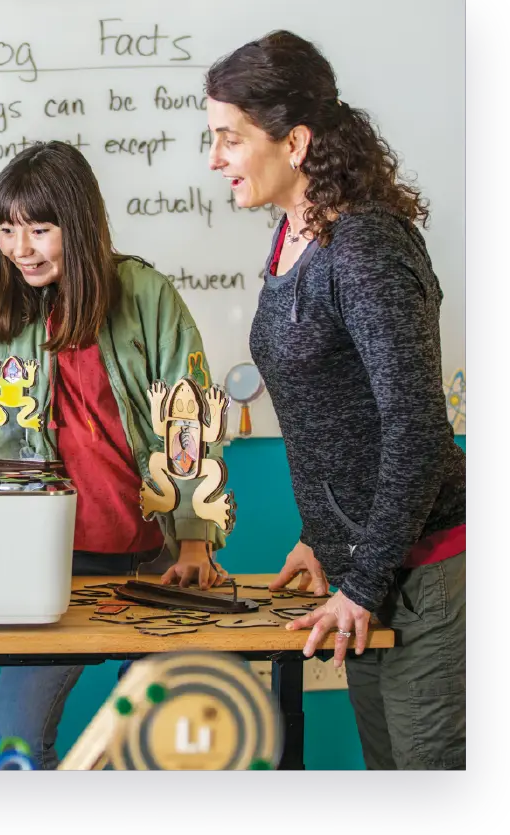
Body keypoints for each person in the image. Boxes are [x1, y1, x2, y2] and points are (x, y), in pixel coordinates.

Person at [205, 30, 466, 770]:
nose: (215, 159)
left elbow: (415, 430)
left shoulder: (366, 249)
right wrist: (324, 537)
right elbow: (335, 412)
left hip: (426, 573)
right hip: (370, 570)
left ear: (294, 141)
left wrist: (362, 577)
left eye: (228, 138)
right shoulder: (293, 237)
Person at [0, 141, 230, 770]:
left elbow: (187, 419)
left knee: (162, 745)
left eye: (39, 228)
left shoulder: (145, 293)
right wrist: (8, 543)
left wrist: (195, 539)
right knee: (12, 747)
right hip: (52, 561)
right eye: (6, 228)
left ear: (77, 225)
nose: (19, 247)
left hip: (158, 554)